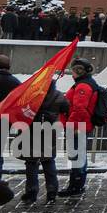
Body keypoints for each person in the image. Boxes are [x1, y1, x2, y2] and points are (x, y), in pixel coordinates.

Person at [58, 57, 105, 196]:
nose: (71, 74)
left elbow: (79, 108)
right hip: (81, 126)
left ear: (78, 71)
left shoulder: (82, 86)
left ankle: (75, 186)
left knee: (76, 156)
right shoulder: (86, 83)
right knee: (79, 156)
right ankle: (78, 184)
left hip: (78, 127)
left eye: (72, 71)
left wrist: (70, 124)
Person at [22, 70, 70, 204]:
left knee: (31, 162)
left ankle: (31, 192)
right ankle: (52, 191)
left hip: (32, 130)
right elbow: (66, 108)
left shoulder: (32, 95)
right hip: (50, 131)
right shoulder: (59, 96)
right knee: (48, 161)